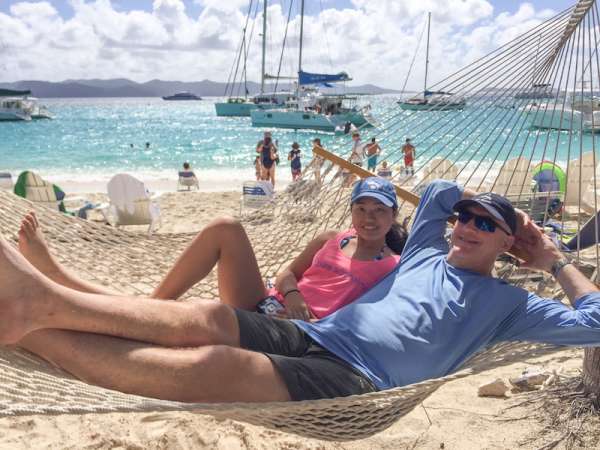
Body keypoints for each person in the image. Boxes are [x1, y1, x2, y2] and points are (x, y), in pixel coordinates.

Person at [3, 180, 600, 404]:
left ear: (505, 246)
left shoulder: (511, 306)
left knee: (220, 366)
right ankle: (44, 306)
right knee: (207, 316)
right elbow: (441, 192)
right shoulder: (424, 249)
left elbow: (594, 321)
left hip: (360, 380)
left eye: (484, 224)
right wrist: (497, 212)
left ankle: (40, 320)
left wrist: (548, 259)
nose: (466, 226)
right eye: (466, 219)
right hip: (310, 331)